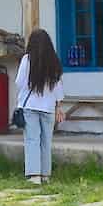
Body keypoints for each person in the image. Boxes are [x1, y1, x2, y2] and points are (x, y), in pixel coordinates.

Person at [16, 29, 64, 184]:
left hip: (30, 106)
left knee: (32, 140)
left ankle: (34, 175)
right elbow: (58, 88)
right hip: (49, 107)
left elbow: (19, 82)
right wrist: (59, 107)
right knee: (46, 141)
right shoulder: (54, 61)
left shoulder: (27, 60)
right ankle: (45, 175)